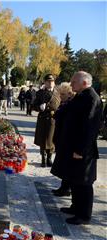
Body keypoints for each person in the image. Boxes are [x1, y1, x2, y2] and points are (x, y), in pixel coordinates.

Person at [57, 71, 102, 225]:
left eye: (74, 81)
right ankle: (75, 207)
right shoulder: (81, 96)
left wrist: (80, 150)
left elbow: (89, 128)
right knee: (75, 180)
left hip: (83, 151)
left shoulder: (91, 98)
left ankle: (84, 215)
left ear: (84, 82)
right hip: (74, 148)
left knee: (84, 183)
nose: (71, 84)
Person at [50, 82, 75, 197]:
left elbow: (60, 115)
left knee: (66, 166)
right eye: (60, 94)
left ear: (70, 93)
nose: (61, 97)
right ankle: (63, 187)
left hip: (66, 138)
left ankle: (66, 188)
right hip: (60, 137)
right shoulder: (65, 103)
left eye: (63, 94)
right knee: (63, 165)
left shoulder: (70, 104)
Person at [33, 74, 60, 167]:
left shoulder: (58, 93)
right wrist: (39, 107)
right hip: (43, 119)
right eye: (48, 81)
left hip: (53, 119)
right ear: (45, 82)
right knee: (43, 140)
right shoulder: (40, 93)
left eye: (52, 81)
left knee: (52, 139)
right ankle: (43, 159)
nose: (50, 83)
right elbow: (33, 106)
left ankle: (49, 158)